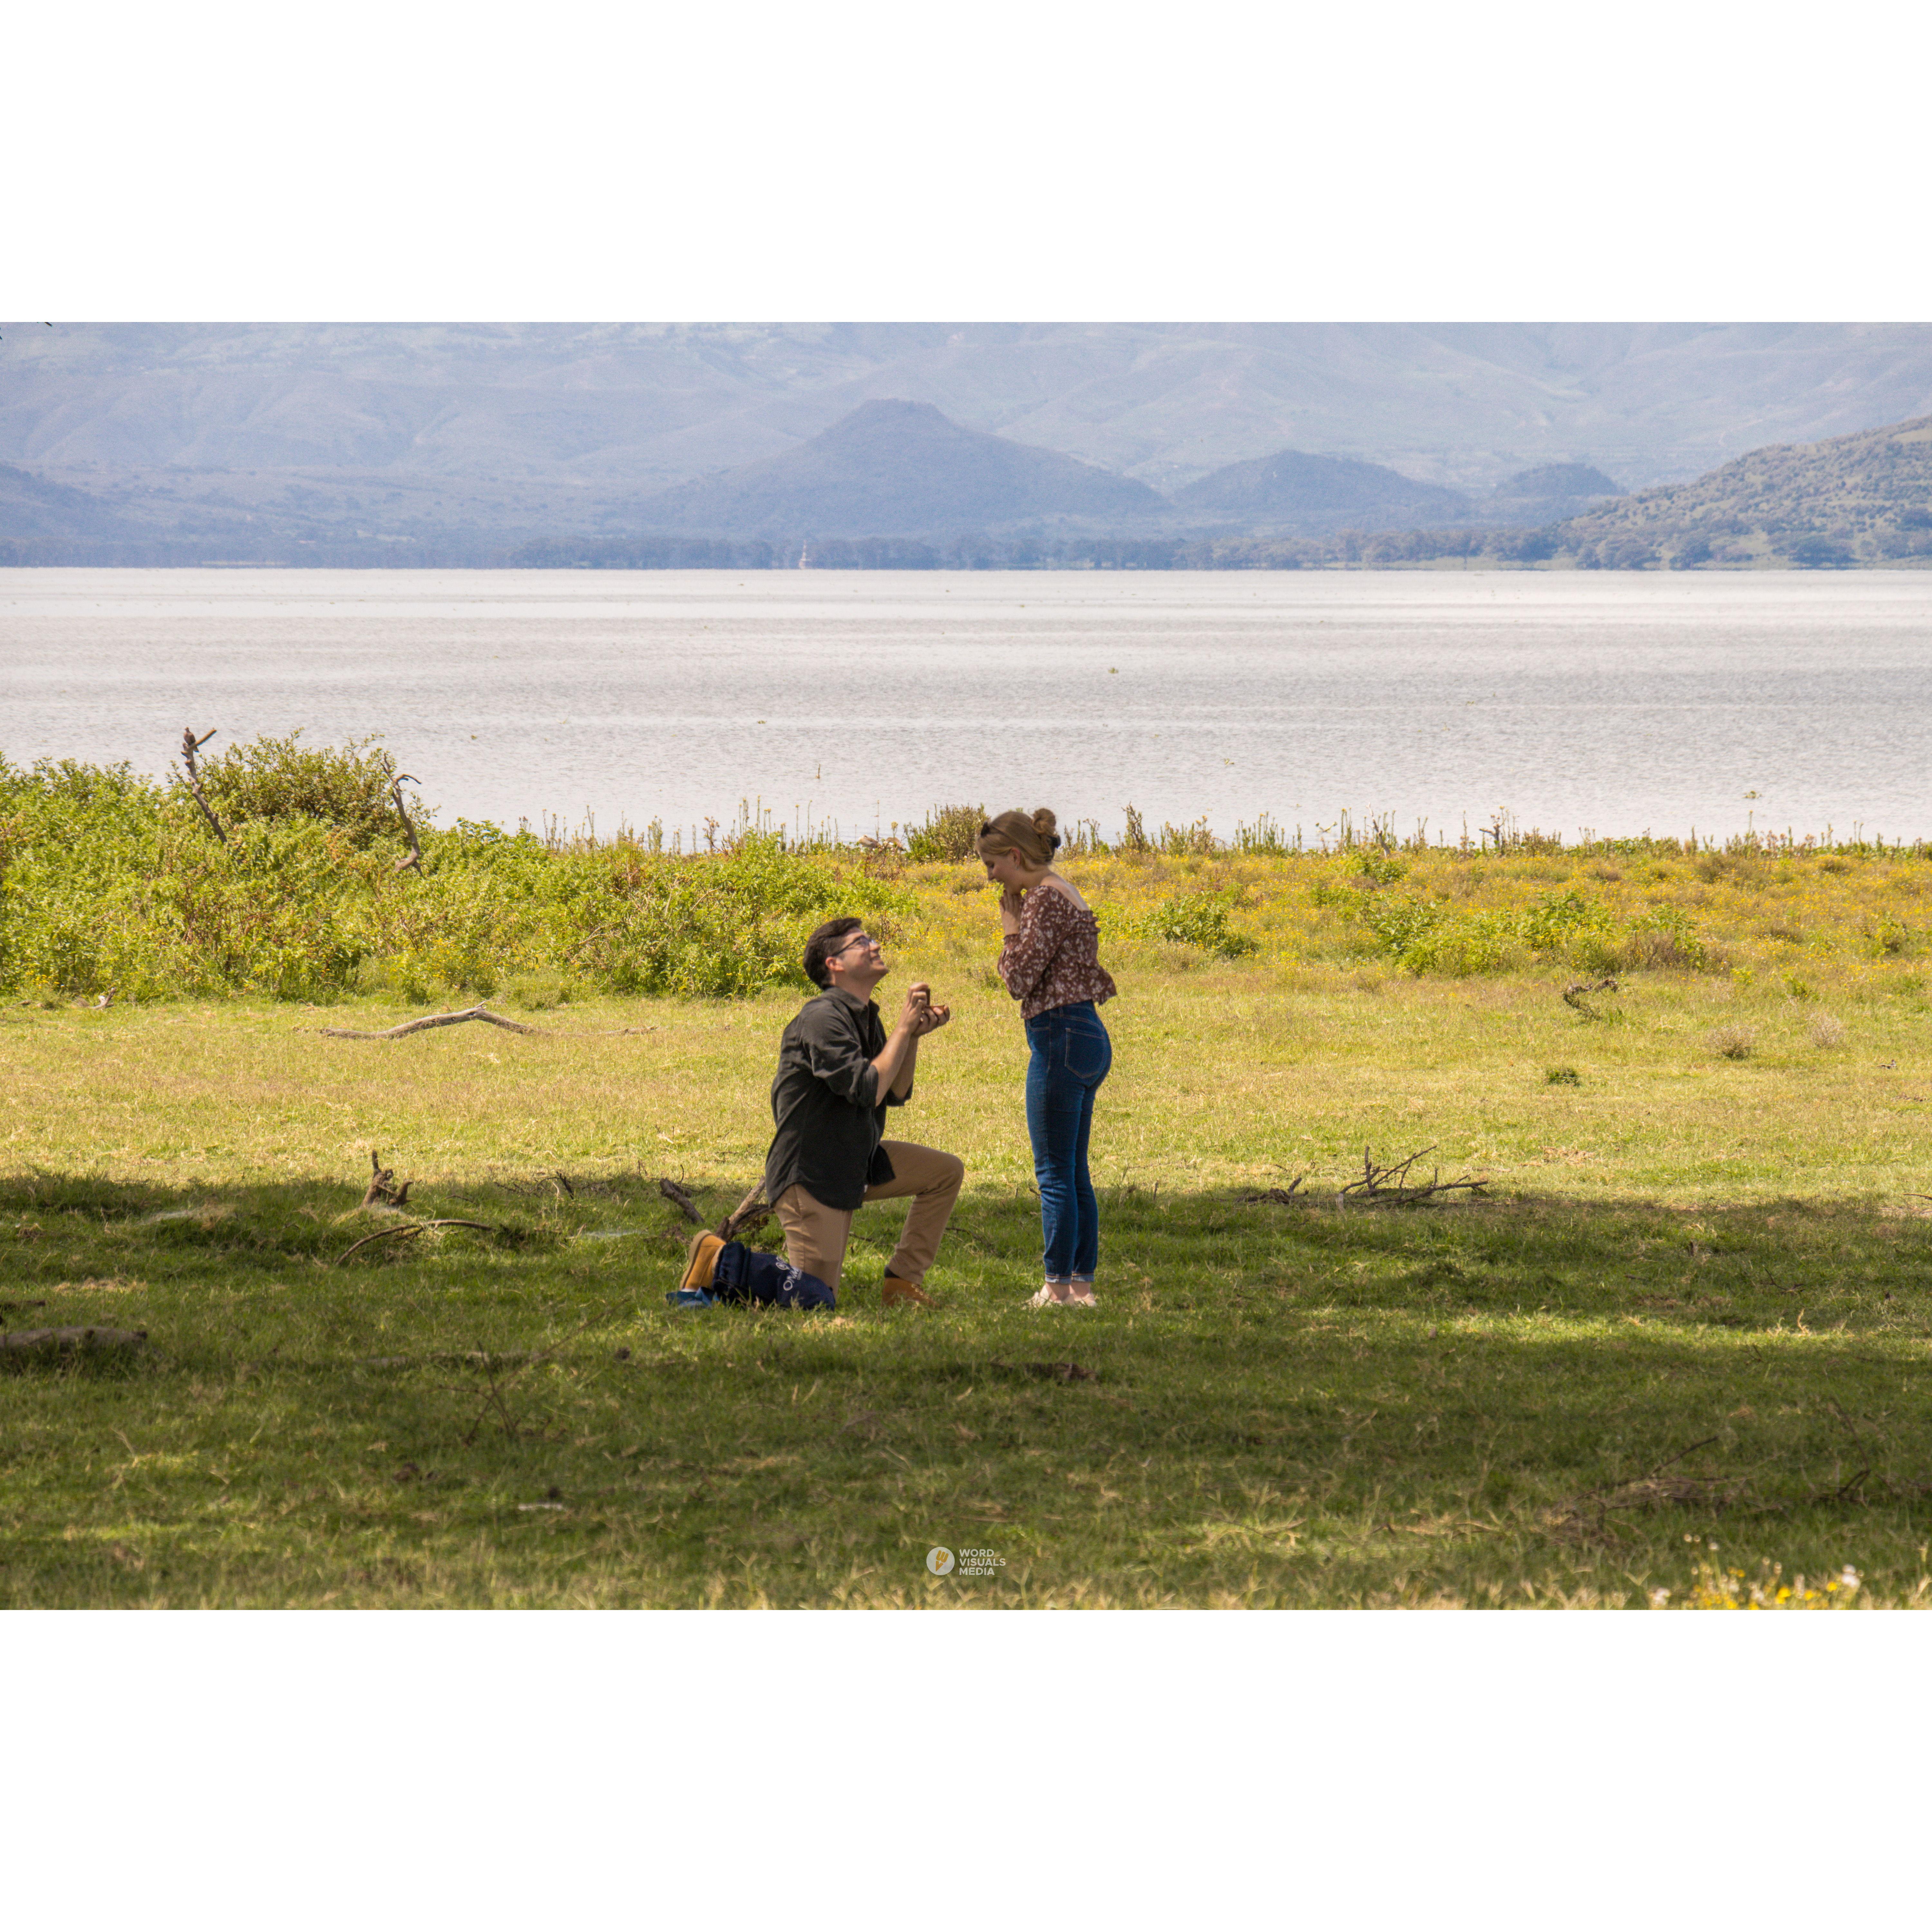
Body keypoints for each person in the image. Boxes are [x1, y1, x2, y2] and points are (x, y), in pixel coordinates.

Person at [684, 916, 962, 1309]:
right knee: (814, 1301)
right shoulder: (821, 1018)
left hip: (853, 1161)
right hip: (811, 1172)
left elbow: (894, 1091)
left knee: (944, 1172)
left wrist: (912, 1036)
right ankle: (718, 1259)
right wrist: (902, 1028)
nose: (875, 944)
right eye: (861, 941)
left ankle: (902, 1283)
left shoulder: (864, 1016)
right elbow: (868, 1089)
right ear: (834, 964)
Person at [978, 808, 1117, 1308]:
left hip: (1060, 1036)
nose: (990, 876)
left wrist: (1010, 927)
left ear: (1015, 856)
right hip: (1085, 1034)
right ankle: (1081, 1287)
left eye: (993, 865)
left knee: (1054, 1174)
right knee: (1074, 1171)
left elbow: (1019, 980)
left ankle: (1056, 1289)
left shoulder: (1042, 901)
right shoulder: (1066, 891)